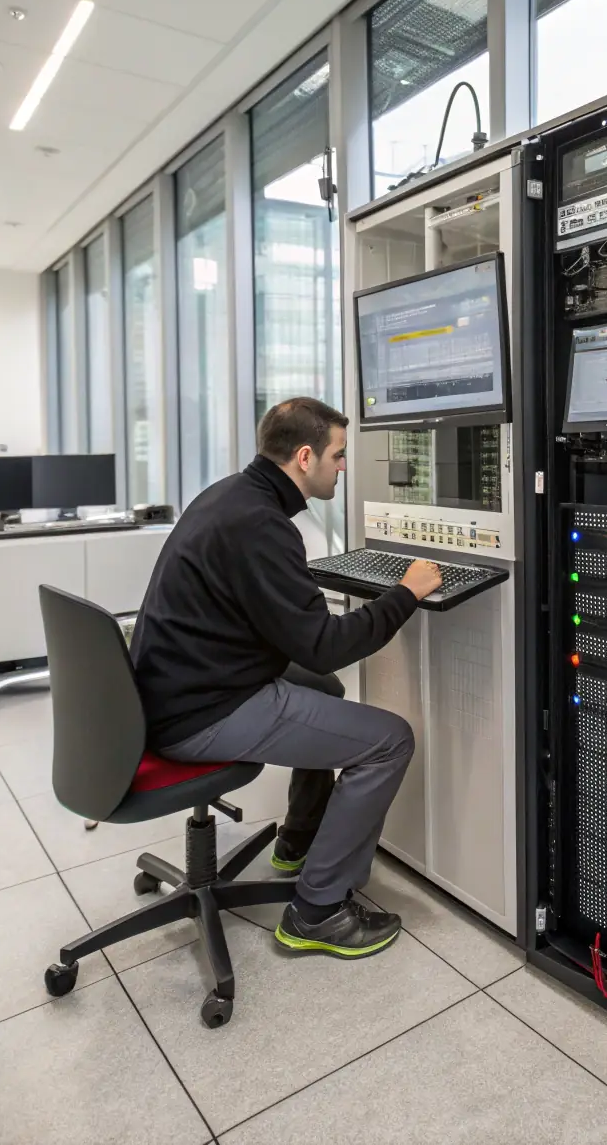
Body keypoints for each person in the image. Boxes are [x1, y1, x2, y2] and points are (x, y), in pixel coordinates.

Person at [131, 397, 442, 959]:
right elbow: (323, 647)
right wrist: (406, 593)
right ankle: (317, 911)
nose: (343, 466)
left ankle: (299, 838)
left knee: (326, 692)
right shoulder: (262, 524)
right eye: (338, 455)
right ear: (304, 457)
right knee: (390, 739)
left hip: (175, 688)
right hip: (203, 713)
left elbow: (291, 638)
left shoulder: (231, 495)